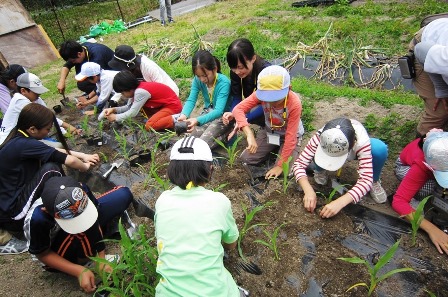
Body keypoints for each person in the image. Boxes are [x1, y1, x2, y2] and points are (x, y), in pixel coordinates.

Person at [0, 104, 99, 254]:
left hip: (13, 199)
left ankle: (63, 201)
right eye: (47, 129)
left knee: (49, 162)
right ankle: (67, 205)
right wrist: (85, 167)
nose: (48, 132)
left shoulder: (19, 137)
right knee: (51, 168)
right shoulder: (23, 143)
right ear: (32, 129)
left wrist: (83, 155)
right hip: (14, 214)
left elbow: (52, 150)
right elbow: (70, 161)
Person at [155, 135, 246, 296]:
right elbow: (231, 244)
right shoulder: (219, 201)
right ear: (209, 170)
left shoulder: (162, 201)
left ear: (172, 170)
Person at [24, 176, 133, 293]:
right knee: (81, 231)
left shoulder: (78, 192)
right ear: (46, 211)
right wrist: (79, 271)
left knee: (123, 195)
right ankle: (86, 261)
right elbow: (43, 255)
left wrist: (101, 257)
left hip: (81, 214)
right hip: (55, 251)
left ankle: (89, 246)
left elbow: (94, 218)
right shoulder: (38, 220)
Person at [292, 117, 388, 219]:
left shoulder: (361, 143)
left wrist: (340, 203)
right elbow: (299, 164)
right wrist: (308, 190)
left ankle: (375, 181)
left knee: (379, 149)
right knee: (312, 152)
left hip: (359, 150)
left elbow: (366, 180)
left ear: (352, 146)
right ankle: (320, 170)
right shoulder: (322, 137)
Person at [223, 65, 303, 179]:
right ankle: (274, 149)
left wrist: (280, 166)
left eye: (275, 98)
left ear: (288, 88)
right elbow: (238, 109)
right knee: (246, 158)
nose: (271, 102)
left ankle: (280, 152)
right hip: (270, 132)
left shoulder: (294, 103)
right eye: (267, 98)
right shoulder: (259, 95)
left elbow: (291, 137)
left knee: (285, 172)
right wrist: (249, 134)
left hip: (289, 136)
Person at [391, 129, 448, 255]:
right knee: (426, 189)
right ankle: (416, 199)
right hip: (406, 167)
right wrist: (432, 229)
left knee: (441, 190)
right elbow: (399, 201)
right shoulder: (423, 162)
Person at [0, 73, 80, 146]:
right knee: (58, 147)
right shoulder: (21, 102)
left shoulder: (27, 98)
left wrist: (65, 130)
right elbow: (47, 118)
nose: (39, 94)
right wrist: (69, 127)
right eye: (35, 92)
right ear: (23, 91)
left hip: (20, 137)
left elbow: (47, 114)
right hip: (9, 142)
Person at [177, 50, 233, 149]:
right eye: (198, 76)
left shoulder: (224, 83)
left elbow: (218, 111)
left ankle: (226, 134)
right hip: (207, 114)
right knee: (190, 141)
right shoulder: (197, 81)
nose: (202, 79)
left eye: (205, 75)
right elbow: (191, 100)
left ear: (214, 69)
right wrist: (184, 115)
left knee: (202, 144)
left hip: (223, 117)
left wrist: (197, 120)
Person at [100, 70, 182, 131]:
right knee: (148, 116)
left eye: (122, 92)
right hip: (162, 106)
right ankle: (165, 119)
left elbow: (132, 113)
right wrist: (114, 109)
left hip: (172, 106)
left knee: (149, 125)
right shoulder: (135, 91)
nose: (122, 95)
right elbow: (129, 107)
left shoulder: (140, 92)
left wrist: (116, 117)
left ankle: (177, 118)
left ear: (128, 89)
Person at [409, 18, 448, 136]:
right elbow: (421, 50)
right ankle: (420, 149)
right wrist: (441, 90)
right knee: (439, 110)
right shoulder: (445, 57)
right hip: (424, 47)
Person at [226, 38, 271, 127]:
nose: (237, 72)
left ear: (253, 58)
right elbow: (237, 96)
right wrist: (233, 113)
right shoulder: (235, 71)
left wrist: (244, 118)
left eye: (241, 67)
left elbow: (268, 104)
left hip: (270, 106)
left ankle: (266, 127)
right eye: (233, 67)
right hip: (252, 103)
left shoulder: (266, 73)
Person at [108, 45, 179, 96]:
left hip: (168, 93)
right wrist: (114, 100)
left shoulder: (148, 67)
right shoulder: (129, 69)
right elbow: (125, 86)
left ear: (128, 64)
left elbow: (161, 88)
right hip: (147, 92)